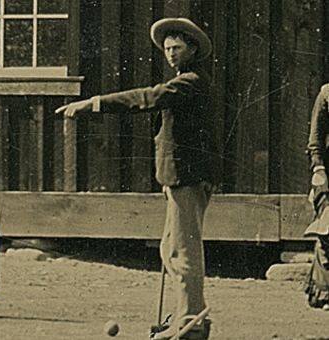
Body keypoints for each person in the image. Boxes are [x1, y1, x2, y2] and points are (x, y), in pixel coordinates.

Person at [56, 18, 215, 339]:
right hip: (176, 175)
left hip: (187, 176)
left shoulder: (191, 81)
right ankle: (186, 317)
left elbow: (148, 97)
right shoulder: (184, 79)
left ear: (192, 49)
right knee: (170, 248)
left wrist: (95, 103)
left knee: (183, 252)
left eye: (177, 48)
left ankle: (191, 323)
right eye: (167, 49)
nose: (171, 54)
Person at [304, 83, 329, 309]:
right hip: (328, 176)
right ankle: (324, 292)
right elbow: (316, 141)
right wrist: (319, 169)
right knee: (328, 229)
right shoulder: (327, 94)